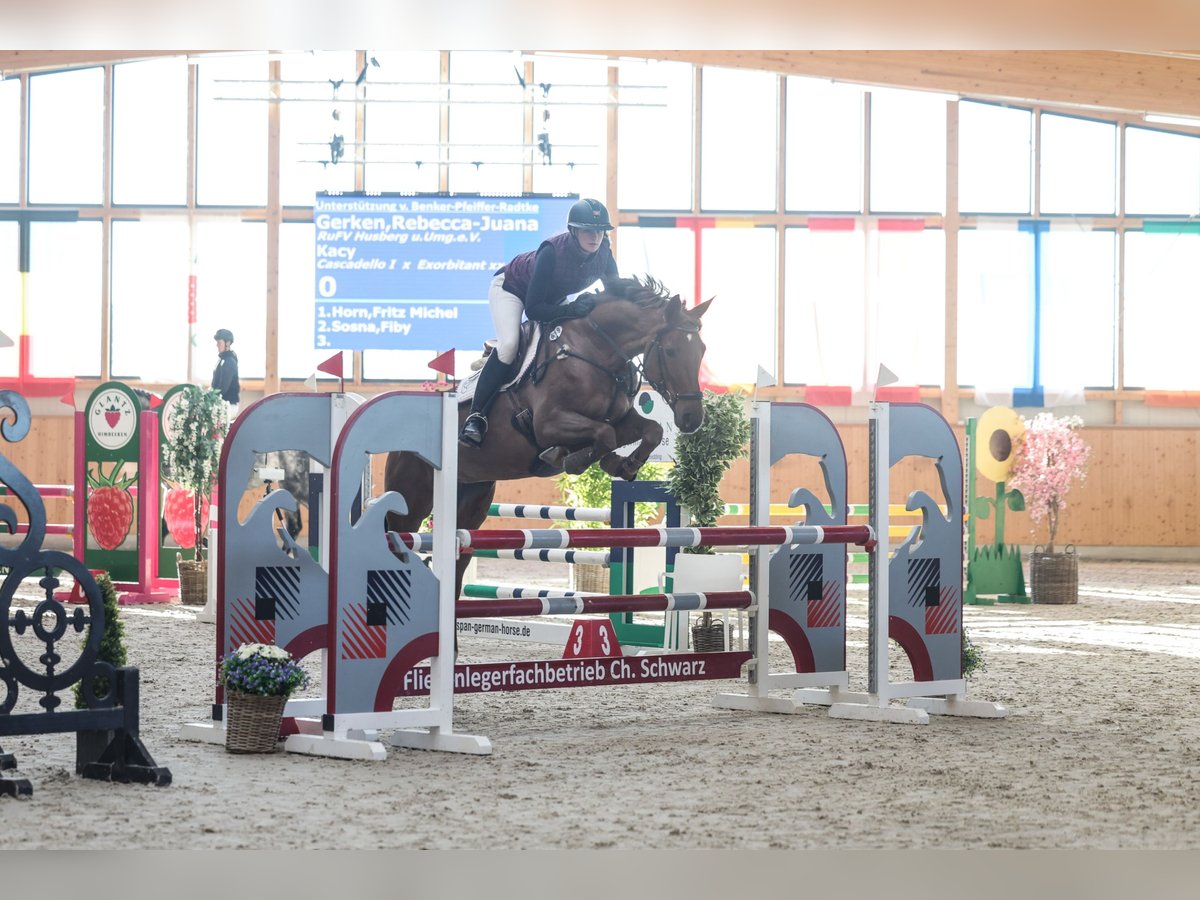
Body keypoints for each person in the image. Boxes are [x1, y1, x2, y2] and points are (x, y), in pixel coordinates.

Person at [460, 198, 619, 447]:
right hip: (511, 290)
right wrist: (573, 308)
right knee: (510, 344)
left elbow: (614, 294)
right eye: (588, 230)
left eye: (599, 231)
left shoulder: (604, 252)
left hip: (551, 298)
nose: (595, 237)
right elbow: (534, 310)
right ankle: (476, 416)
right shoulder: (551, 252)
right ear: (574, 231)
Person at [211, 328, 240, 416]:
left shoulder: (229, 361)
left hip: (229, 405)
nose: (217, 345)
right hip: (223, 403)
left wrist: (210, 397)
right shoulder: (222, 360)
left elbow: (223, 388)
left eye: (219, 342)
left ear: (227, 343)